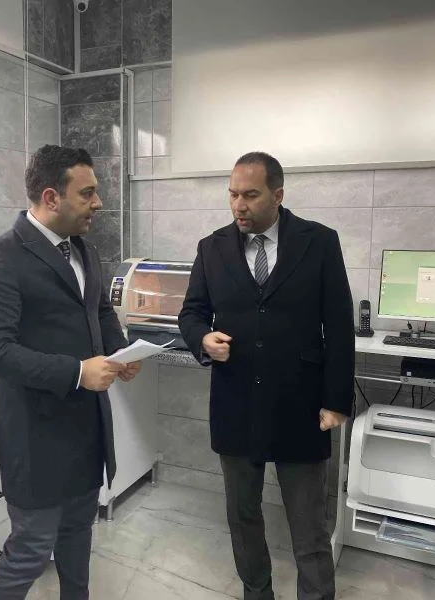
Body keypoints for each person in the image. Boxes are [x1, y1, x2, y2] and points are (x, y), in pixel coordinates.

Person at [0, 144, 141, 600]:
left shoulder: (86, 251)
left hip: (87, 432)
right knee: (30, 550)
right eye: (87, 193)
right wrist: (78, 372)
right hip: (37, 437)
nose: (98, 203)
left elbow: (99, 312)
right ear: (51, 197)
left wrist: (121, 352)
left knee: (78, 538)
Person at [178, 151, 354, 600]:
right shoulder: (212, 247)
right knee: (243, 518)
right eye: (233, 195)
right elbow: (192, 312)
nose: (239, 205)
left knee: (309, 527)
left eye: (250, 195)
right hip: (235, 402)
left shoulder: (319, 242)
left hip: (301, 404)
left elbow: (338, 325)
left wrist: (336, 401)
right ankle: (257, 593)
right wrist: (202, 339)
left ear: (278, 195)